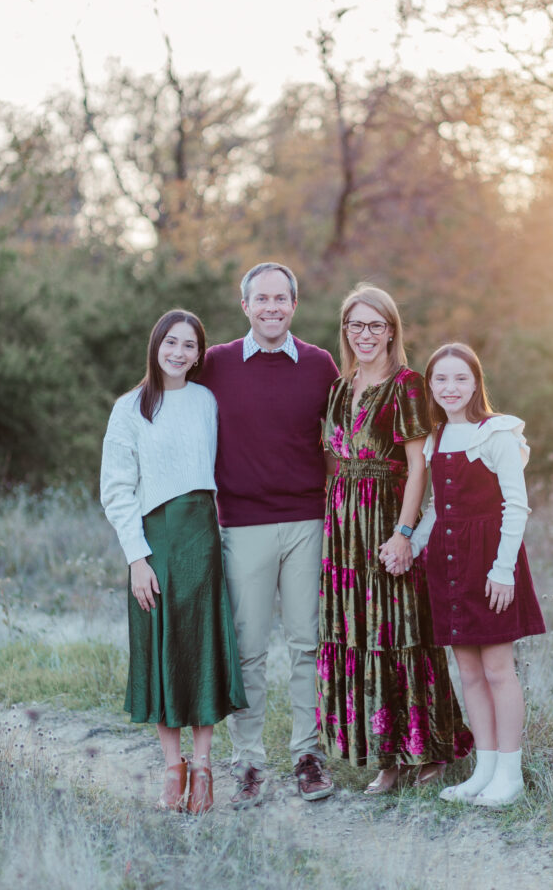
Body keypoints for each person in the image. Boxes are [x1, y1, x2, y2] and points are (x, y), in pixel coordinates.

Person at [317, 286, 473, 794]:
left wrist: (404, 534)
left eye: (376, 326)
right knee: (361, 634)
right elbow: (336, 461)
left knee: (402, 632)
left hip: (387, 516)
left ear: (391, 331)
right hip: (344, 529)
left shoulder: (406, 385)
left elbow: (418, 464)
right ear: (346, 331)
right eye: (356, 326)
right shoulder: (341, 387)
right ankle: (385, 756)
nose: (366, 336)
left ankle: (426, 749)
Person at [199, 263, 339, 807]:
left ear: (294, 305)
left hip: (308, 521)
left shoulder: (320, 364)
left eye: (281, 298)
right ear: (246, 307)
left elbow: (348, 431)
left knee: (307, 643)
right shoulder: (218, 364)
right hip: (243, 524)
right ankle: (249, 763)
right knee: (249, 649)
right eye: (262, 299)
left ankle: (309, 756)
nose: (272, 307)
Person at [100, 309, 247, 815]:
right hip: (154, 542)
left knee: (200, 648)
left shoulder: (207, 401)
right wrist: (137, 558)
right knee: (162, 648)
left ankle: (204, 767)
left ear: (199, 353)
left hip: (202, 538)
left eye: (190, 345)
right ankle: (173, 768)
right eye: (172, 343)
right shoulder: (130, 408)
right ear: (156, 345)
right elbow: (116, 490)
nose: (179, 353)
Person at [409, 343, 546, 807]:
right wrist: (411, 543)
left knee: (497, 670)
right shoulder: (435, 437)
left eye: (460, 379)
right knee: (467, 672)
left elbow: (517, 505)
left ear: (476, 383)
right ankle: (483, 769)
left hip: (490, 563)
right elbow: (435, 508)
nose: (450, 388)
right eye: (441, 379)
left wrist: (503, 570)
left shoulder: (498, 433)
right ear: (431, 385)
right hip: (448, 563)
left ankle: (510, 774)